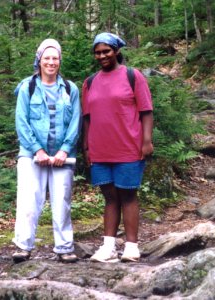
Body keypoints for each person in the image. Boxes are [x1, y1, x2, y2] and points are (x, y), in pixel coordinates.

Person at [82, 32, 153, 263]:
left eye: (106, 51)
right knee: (110, 197)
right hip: (100, 150)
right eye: (98, 52)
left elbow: (146, 111)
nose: (102, 55)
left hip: (128, 147)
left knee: (128, 195)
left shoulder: (133, 76)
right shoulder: (90, 82)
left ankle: (131, 246)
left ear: (117, 51)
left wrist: (146, 141)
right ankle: (108, 246)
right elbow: (87, 118)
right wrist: (86, 148)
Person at [12, 38, 81, 263]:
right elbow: (21, 122)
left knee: (62, 201)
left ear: (60, 61)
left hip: (63, 156)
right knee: (29, 200)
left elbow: (75, 123)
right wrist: (37, 150)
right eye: (47, 58)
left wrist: (65, 150)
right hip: (32, 156)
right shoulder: (27, 87)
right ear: (39, 60)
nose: (51, 62)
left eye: (55, 58)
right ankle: (23, 246)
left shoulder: (70, 89)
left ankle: (64, 247)